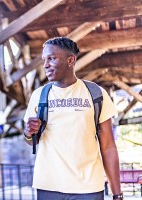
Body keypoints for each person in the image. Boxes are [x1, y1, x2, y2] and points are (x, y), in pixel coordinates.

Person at [23, 37, 123, 200]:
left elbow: (108, 147)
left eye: (51, 58)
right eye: (44, 60)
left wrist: (117, 193)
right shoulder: (39, 95)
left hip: (89, 187)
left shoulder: (96, 94)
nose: (46, 64)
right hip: (49, 186)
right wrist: (28, 133)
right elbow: (30, 140)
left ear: (70, 60)